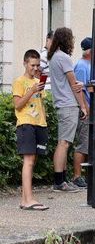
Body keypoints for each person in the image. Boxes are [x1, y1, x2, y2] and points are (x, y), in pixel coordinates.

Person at [45, 27, 88, 192]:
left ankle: (61, 179)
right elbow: (74, 85)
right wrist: (83, 106)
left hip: (61, 104)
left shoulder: (53, 57)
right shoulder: (64, 58)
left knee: (62, 142)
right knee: (64, 143)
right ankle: (59, 182)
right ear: (67, 40)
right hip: (68, 104)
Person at [13, 49, 49, 210]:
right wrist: (31, 91)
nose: (35, 68)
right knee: (28, 161)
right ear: (25, 63)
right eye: (32, 65)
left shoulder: (37, 82)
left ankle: (24, 199)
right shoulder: (19, 82)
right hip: (26, 123)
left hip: (38, 123)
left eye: (37, 65)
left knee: (32, 161)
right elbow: (18, 105)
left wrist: (38, 89)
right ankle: (28, 199)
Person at [73, 38, 95, 181]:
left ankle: (89, 176)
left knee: (92, 144)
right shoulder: (81, 66)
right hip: (88, 110)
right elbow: (80, 90)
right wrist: (86, 109)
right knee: (84, 144)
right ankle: (77, 176)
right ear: (90, 51)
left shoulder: (94, 66)